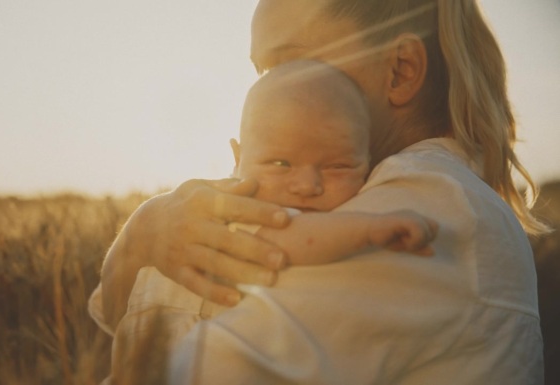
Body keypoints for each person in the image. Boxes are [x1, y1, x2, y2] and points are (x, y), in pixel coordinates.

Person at [93, 0, 550, 383]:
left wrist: (148, 260)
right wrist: (141, 238)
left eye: (289, 62)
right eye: (261, 72)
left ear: (400, 71)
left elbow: (204, 368)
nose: (271, 92)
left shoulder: (432, 203)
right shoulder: (356, 195)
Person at [92, 60, 439, 383]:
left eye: (338, 166)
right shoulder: (225, 211)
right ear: (238, 159)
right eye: (280, 164)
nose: (307, 186)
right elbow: (296, 238)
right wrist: (371, 228)